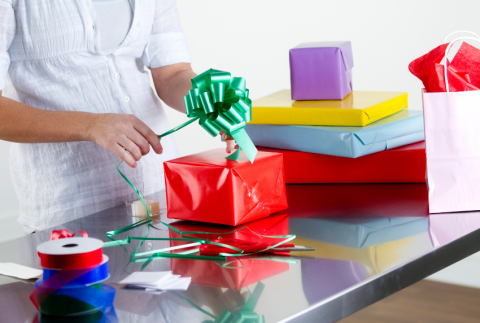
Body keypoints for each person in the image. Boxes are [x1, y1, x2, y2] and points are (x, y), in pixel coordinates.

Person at [0, 0, 235, 233]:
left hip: (163, 197)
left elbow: (172, 72)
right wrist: (91, 125)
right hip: (69, 210)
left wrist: (206, 98)